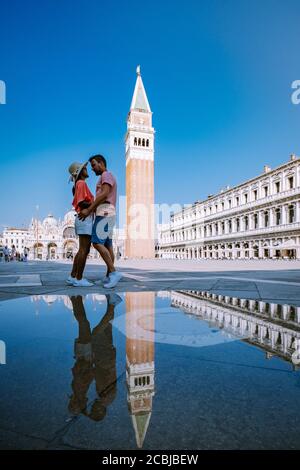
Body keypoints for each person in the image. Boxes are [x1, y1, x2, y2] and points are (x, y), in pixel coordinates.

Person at [78, 154, 122, 289]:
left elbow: (103, 195)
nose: (92, 168)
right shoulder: (107, 176)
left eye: (93, 165)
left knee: (96, 242)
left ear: (101, 163)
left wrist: (89, 209)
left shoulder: (106, 175)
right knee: (108, 245)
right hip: (109, 212)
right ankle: (109, 277)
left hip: (104, 212)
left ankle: (114, 273)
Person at [67, 161, 94, 287]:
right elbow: (82, 202)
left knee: (82, 249)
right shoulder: (82, 183)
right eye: (84, 168)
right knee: (84, 249)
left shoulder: (77, 184)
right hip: (85, 218)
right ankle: (79, 278)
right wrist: (97, 203)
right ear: (79, 172)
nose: (87, 168)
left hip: (82, 219)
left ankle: (73, 276)